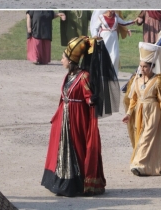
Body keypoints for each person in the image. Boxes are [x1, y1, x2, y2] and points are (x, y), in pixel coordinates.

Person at [42, 36, 120, 196]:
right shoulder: (69, 76)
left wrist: (92, 99)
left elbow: (87, 94)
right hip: (64, 118)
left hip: (77, 119)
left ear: (71, 60)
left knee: (76, 149)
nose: (61, 60)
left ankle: (75, 184)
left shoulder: (83, 76)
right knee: (63, 149)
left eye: (63, 57)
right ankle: (62, 182)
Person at [122, 42, 161, 176]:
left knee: (147, 137)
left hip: (154, 113)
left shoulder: (158, 81)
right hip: (140, 112)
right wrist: (129, 113)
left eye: (145, 67)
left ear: (152, 66)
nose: (142, 69)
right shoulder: (136, 80)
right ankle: (148, 162)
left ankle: (140, 165)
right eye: (141, 66)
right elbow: (133, 99)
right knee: (141, 136)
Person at [90, 10, 134, 76]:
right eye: (110, 10)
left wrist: (133, 21)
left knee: (115, 56)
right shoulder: (101, 17)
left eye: (112, 10)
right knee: (103, 56)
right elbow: (95, 28)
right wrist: (95, 35)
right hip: (104, 38)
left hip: (114, 39)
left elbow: (123, 23)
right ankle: (102, 74)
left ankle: (113, 75)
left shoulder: (116, 16)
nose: (111, 11)